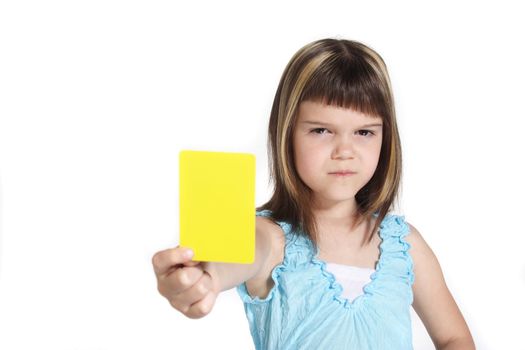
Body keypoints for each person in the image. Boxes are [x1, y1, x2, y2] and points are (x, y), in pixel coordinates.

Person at [152, 38, 475, 349]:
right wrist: (202, 278)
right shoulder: (271, 239)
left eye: (364, 132)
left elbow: (454, 339)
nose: (345, 150)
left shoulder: (405, 245)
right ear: (286, 133)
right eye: (321, 130)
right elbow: (235, 256)